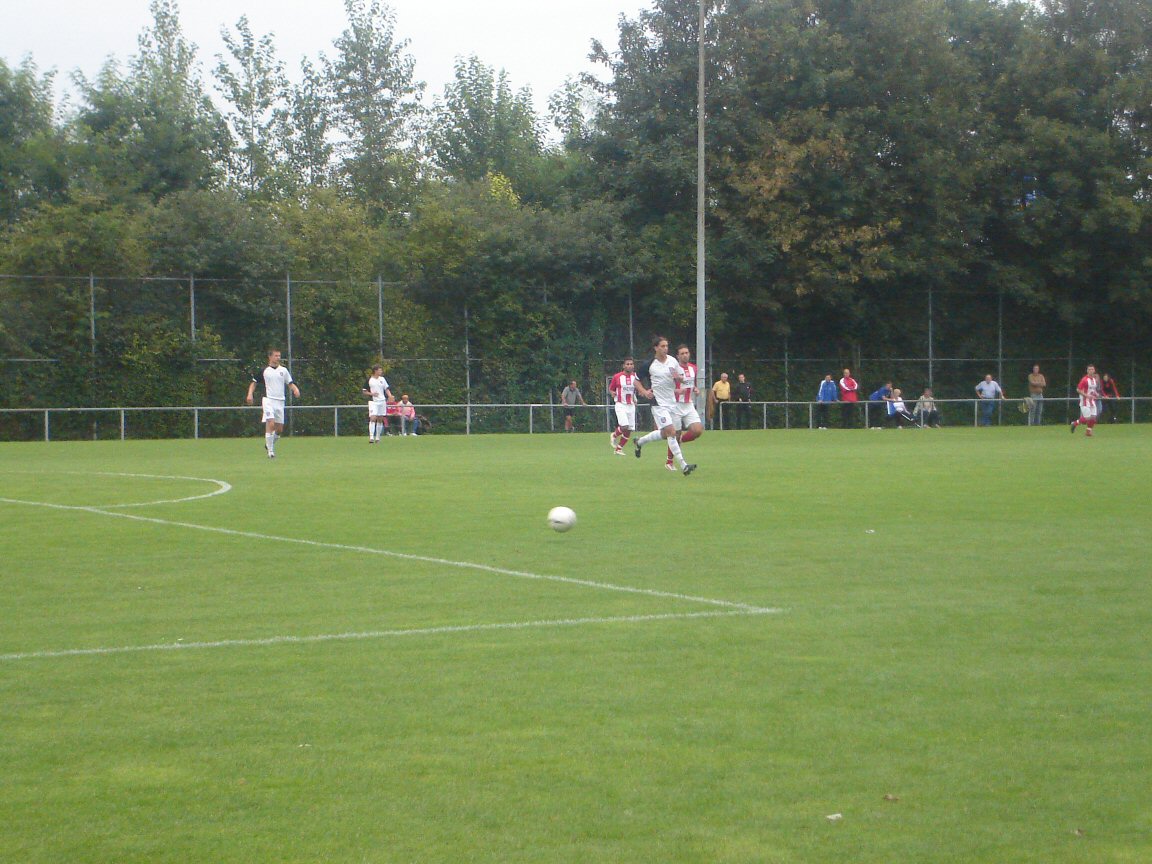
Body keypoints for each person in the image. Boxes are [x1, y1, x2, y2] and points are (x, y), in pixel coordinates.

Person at [632, 335, 698, 476]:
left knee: (665, 434)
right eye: (662, 346)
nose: (665, 348)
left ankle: (640, 442)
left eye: (667, 346)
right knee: (672, 432)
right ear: (656, 348)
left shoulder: (673, 361)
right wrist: (644, 391)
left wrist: (679, 379)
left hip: (673, 403)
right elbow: (636, 381)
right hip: (658, 403)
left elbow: (679, 378)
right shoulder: (649, 364)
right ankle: (684, 465)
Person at [245, 348, 300, 458]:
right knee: (270, 423)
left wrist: (295, 389)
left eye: (279, 356)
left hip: (280, 401)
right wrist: (250, 394)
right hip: (268, 400)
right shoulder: (264, 370)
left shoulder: (283, 370)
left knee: (279, 429)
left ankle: (268, 443)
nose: (278, 358)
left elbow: (290, 383)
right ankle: (270, 452)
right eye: (276, 356)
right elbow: (254, 383)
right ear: (270, 357)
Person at [666, 344, 703, 470]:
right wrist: (676, 391)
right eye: (682, 353)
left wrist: (696, 389)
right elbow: (666, 387)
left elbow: (692, 384)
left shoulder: (693, 368)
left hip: (689, 404)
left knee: (697, 430)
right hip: (675, 405)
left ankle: (680, 439)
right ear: (677, 356)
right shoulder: (673, 370)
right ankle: (669, 462)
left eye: (686, 353)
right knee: (674, 433)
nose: (685, 355)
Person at [609, 357, 651, 455]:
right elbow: (611, 388)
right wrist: (612, 393)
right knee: (624, 426)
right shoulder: (617, 377)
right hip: (620, 404)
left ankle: (618, 449)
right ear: (623, 366)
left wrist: (643, 393)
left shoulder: (635, 377)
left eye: (631, 364)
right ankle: (614, 435)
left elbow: (638, 389)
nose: (629, 366)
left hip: (631, 405)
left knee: (629, 430)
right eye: (627, 364)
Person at [360, 364, 393, 442]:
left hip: (382, 401)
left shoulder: (382, 379)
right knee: (373, 418)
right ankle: (371, 437)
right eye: (379, 370)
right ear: (375, 371)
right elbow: (364, 391)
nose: (381, 371)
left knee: (380, 419)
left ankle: (378, 437)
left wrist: (390, 396)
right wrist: (372, 394)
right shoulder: (369, 380)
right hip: (373, 401)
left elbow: (386, 389)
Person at [1070, 364, 1102, 436]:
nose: (1091, 371)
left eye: (1092, 369)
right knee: (1087, 418)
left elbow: (1093, 390)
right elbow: (1078, 389)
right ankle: (1075, 423)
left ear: (1094, 370)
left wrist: (1096, 394)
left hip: (1092, 401)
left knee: (1093, 418)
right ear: (1087, 371)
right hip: (1085, 402)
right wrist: (1086, 395)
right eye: (1089, 369)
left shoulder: (1094, 380)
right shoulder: (1084, 380)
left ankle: (1088, 431)